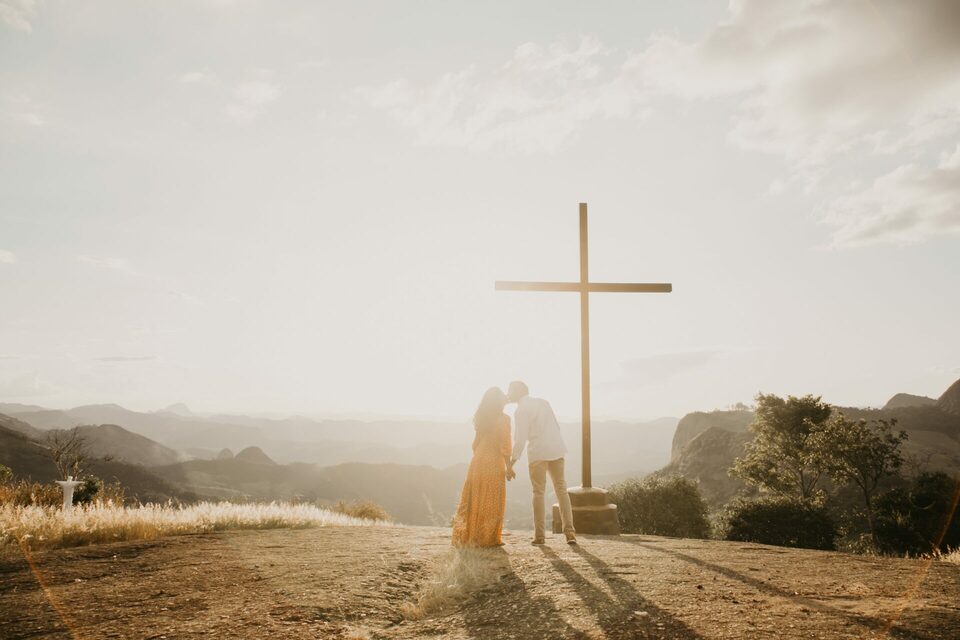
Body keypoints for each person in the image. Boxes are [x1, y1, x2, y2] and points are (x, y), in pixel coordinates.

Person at [506, 381, 577, 545]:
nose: (508, 393)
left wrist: (511, 463)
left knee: (538, 492)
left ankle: (540, 536)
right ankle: (570, 533)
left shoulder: (520, 411)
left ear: (518, 391)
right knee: (561, 489)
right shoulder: (544, 403)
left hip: (538, 451)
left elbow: (520, 440)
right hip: (556, 447)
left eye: (510, 390)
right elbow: (556, 426)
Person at [451, 386, 514, 547]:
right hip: (493, 461)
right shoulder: (504, 419)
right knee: (491, 499)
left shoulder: (482, 417)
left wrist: (479, 456)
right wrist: (509, 467)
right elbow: (505, 446)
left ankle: (469, 536)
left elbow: (475, 443)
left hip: (478, 460)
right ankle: (487, 538)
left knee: (475, 498)